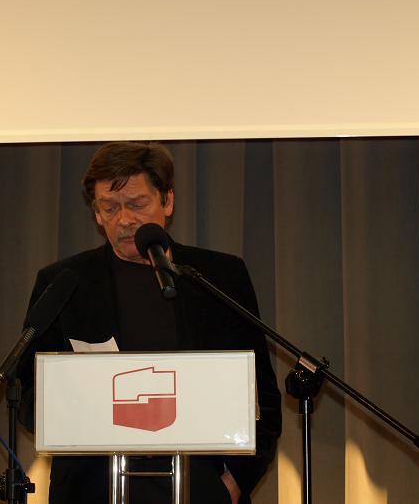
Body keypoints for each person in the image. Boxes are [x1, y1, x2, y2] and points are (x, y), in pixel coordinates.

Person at [17, 142, 281, 503]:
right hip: (93, 489)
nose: (124, 219)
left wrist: (235, 483)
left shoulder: (219, 275)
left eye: (137, 204)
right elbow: (27, 391)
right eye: (109, 207)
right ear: (96, 214)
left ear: (167, 201)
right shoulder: (64, 282)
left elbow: (260, 392)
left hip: (202, 487)